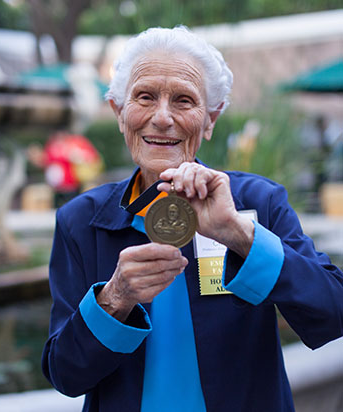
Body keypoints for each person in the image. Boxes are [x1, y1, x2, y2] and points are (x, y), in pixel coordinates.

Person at [42, 26, 343, 412]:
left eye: (184, 101)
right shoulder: (80, 221)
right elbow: (65, 375)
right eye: (145, 97)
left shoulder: (256, 202)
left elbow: (332, 313)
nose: (162, 118)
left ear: (210, 119)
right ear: (119, 113)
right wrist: (115, 298)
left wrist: (238, 234)